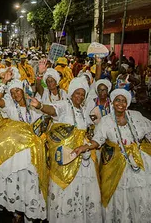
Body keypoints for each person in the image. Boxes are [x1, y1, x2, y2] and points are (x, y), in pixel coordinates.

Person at [30, 77, 102, 223]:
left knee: (83, 191)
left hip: (83, 159)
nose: (80, 97)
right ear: (71, 93)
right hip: (65, 159)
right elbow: (52, 110)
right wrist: (40, 106)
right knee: (65, 191)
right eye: (77, 93)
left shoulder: (82, 110)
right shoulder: (63, 105)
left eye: (82, 94)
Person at [73, 89, 151, 222]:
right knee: (120, 195)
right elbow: (97, 140)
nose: (120, 103)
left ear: (127, 103)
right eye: (117, 100)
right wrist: (84, 147)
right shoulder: (106, 120)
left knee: (141, 194)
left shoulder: (136, 116)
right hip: (115, 163)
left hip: (138, 161)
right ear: (113, 102)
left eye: (123, 101)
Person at [0, 76, 48, 222]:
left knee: (29, 182)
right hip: (15, 154)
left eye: (17, 91)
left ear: (23, 91)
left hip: (30, 153)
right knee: (16, 181)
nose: (15, 95)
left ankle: (29, 214)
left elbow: (41, 125)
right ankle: (16, 213)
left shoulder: (34, 105)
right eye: (12, 93)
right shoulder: (11, 107)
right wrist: (4, 82)